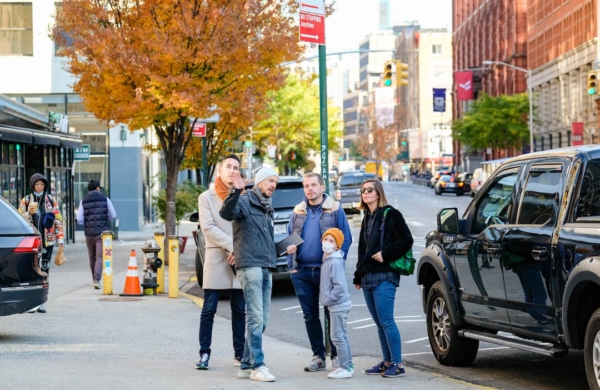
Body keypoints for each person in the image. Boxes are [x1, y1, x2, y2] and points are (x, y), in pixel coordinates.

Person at [285, 172, 352, 372]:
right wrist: (292, 265)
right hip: (303, 272)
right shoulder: (298, 211)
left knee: (332, 314)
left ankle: (338, 358)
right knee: (310, 316)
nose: (310, 189)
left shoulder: (335, 209)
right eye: (307, 186)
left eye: (314, 185)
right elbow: (290, 239)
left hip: (327, 271)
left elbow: (345, 239)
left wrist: (337, 265)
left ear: (322, 187)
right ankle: (318, 356)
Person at [220, 165, 279, 383]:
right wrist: (235, 191)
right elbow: (226, 213)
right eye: (270, 181)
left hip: (266, 264)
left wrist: (283, 249)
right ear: (259, 181)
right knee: (255, 317)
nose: (273, 185)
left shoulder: (267, 207)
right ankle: (258, 365)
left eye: (275, 182)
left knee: (262, 320)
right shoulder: (245, 200)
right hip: (250, 264)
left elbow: (265, 240)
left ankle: (245, 365)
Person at [352, 178, 413, 378]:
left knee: (386, 320)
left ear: (378, 193)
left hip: (385, 275)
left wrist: (386, 254)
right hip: (368, 275)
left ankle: (398, 364)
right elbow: (363, 249)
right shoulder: (367, 217)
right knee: (378, 322)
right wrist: (358, 275)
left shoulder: (391, 214)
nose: (366, 193)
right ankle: (387, 362)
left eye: (370, 189)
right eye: (363, 190)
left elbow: (406, 240)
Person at [195, 154, 245, 370]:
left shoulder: (243, 195)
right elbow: (207, 228)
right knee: (209, 308)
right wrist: (231, 246)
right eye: (229, 167)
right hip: (217, 256)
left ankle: (240, 354)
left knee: (240, 309)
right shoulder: (206, 197)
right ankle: (204, 353)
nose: (232, 171)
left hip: (239, 255)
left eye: (236, 168)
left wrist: (238, 248)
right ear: (219, 171)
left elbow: (247, 225)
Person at [18, 173, 65, 313]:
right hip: (31, 242)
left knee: (44, 271)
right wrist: (28, 213)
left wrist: (60, 239)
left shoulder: (51, 200)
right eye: (37, 185)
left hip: (47, 242)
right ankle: (31, 303)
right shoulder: (26, 200)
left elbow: (58, 220)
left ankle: (41, 301)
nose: (39, 187)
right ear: (33, 185)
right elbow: (19, 218)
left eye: (42, 185)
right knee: (31, 270)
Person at [319, 228, 353, 379]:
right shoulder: (327, 259)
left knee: (337, 336)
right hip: (336, 304)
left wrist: (328, 298)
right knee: (342, 336)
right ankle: (348, 365)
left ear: (337, 246)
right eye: (326, 239)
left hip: (338, 305)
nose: (327, 243)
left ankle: (345, 367)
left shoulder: (334, 262)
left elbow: (339, 287)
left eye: (331, 241)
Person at [76, 179, 117, 289]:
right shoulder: (105, 199)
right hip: (101, 232)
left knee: (92, 257)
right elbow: (113, 215)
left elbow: (79, 219)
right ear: (98, 188)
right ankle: (97, 279)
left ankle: (94, 278)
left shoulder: (83, 201)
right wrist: (105, 218)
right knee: (100, 256)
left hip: (89, 233)